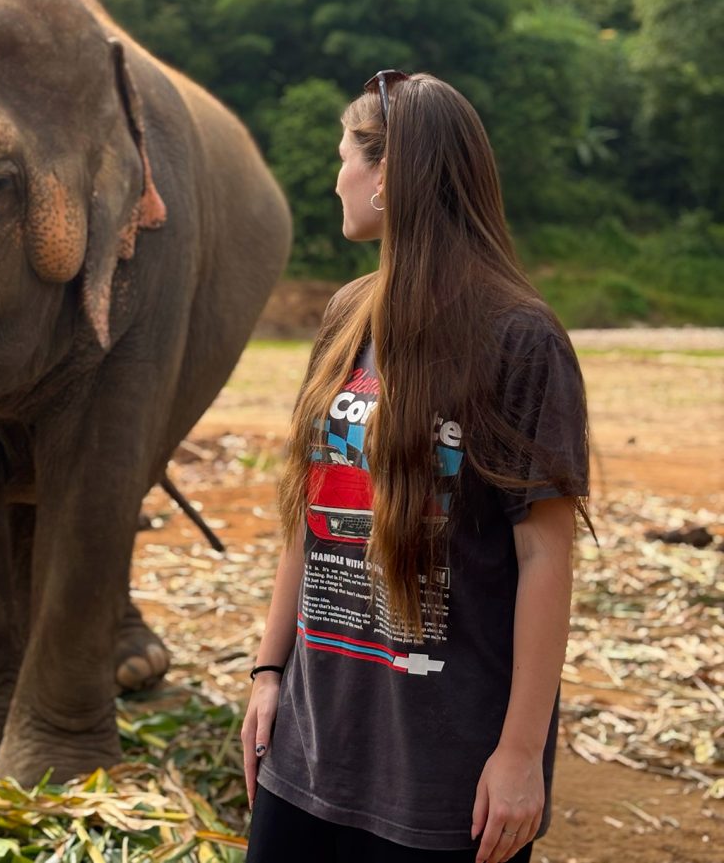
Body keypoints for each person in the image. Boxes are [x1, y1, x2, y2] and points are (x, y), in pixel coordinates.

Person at [241, 71, 590, 863]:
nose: (336, 177)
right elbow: (313, 505)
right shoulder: (345, 316)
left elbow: (545, 554)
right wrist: (268, 673)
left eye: (345, 156)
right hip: (311, 744)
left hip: (443, 775)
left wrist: (520, 755)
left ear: (388, 175)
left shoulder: (521, 339)